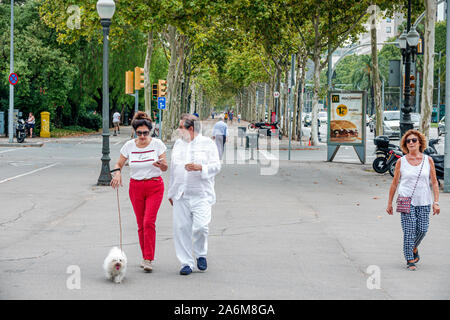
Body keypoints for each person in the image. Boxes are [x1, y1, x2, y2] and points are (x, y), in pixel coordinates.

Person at [110, 111, 168, 273]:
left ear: (150, 131)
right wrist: (117, 173)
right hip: (136, 187)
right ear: (135, 132)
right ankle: (145, 256)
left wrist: (161, 165)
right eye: (139, 133)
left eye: (145, 133)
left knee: (148, 221)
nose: (142, 136)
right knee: (140, 223)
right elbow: (119, 163)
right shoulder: (129, 146)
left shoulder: (157, 144)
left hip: (155, 186)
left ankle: (148, 258)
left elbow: (165, 166)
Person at [168, 114, 221, 275]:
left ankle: (200, 253)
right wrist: (171, 192)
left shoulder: (208, 144)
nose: (178, 130)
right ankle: (186, 262)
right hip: (181, 194)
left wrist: (200, 168)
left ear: (190, 128)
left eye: (181, 127)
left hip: (201, 194)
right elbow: (173, 170)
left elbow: (217, 166)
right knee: (181, 228)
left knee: (201, 227)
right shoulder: (178, 144)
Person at [386, 129, 440, 271]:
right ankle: (410, 259)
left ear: (420, 143)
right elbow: (394, 183)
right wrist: (389, 203)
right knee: (409, 231)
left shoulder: (428, 160)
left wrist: (436, 202)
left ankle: (413, 246)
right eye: (408, 141)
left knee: (422, 229)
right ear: (405, 144)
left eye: (414, 140)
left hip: (424, 200)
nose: (411, 142)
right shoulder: (401, 162)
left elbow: (434, 182)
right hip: (405, 199)